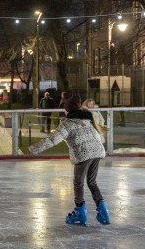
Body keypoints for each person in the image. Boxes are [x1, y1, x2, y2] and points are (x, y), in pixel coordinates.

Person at [28, 95, 109, 226]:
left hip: (84, 154)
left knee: (78, 183)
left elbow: (52, 139)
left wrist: (35, 149)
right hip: (98, 152)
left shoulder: (67, 124)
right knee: (92, 182)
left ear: (67, 110)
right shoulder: (87, 119)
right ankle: (104, 211)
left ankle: (80, 213)